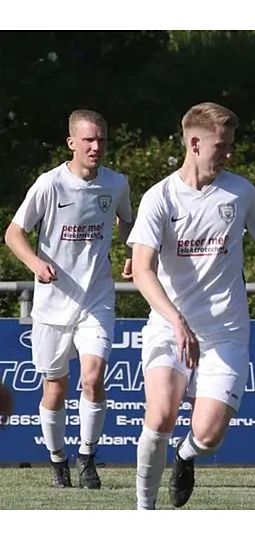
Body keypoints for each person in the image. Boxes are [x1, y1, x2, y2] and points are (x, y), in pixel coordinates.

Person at [128, 102, 255, 510]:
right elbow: (142, 269)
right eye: (222, 146)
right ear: (194, 143)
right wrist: (175, 320)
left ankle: (185, 456)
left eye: (231, 146)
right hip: (169, 326)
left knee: (208, 437)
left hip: (225, 332)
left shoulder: (240, 192)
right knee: (159, 418)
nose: (229, 154)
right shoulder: (159, 197)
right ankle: (144, 513)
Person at [4, 109, 133, 489]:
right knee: (55, 387)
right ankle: (57, 459)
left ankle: (88, 458)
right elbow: (14, 233)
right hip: (54, 302)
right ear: (71, 143)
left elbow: (128, 222)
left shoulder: (116, 184)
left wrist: (132, 252)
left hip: (97, 298)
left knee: (93, 377)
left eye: (101, 140)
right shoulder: (49, 184)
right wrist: (36, 263)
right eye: (88, 140)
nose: (96, 147)